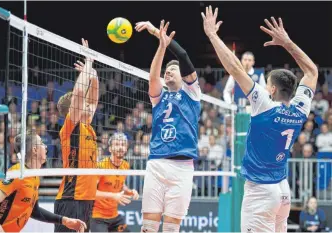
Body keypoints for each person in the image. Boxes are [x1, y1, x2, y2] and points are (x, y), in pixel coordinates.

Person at [202, 6, 318, 232]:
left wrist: (212, 35)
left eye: (267, 83)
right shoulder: (300, 109)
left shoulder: (264, 105)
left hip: (260, 192)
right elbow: (312, 71)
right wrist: (287, 42)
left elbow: (235, 69)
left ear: (272, 89)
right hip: (282, 190)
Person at [135, 20, 201, 232]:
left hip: (182, 167)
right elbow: (153, 77)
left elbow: (182, 56)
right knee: (148, 227)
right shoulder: (158, 97)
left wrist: (156, 33)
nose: (168, 71)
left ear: (184, 76)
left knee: (171, 228)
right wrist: (161, 48)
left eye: (173, 70)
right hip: (157, 163)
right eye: (167, 69)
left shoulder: (192, 93)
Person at [0, 131, 87, 232]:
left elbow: (35, 211)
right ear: (34, 150)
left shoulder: (33, 176)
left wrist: (65, 220)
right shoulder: (18, 173)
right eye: (42, 143)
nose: (46, 147)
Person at [54, 38, 99, 232]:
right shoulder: (70, 127)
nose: (89, 107)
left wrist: (94, 76)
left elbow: (93, 98)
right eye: (83, 106)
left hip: (87, 199)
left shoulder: (87, 126)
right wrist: (88, 62)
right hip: (71, 199)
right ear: (74, 110)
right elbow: (80, 92)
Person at [90, 132, 139, 232]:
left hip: (114, 216)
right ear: (110, 149)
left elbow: (120, 185)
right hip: (98, 216)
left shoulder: (125, 165)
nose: (120, 147)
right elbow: (90, 192)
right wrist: (113, 196)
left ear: (126, 148)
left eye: (123, 145)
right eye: (116, 144)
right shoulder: (102, 166)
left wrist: (130, 191)